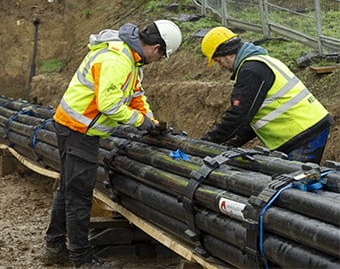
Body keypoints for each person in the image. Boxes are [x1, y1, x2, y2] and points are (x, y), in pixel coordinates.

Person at [44, 20, 182, 268]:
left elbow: (136, 96)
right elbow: (109, 104)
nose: (158, 62)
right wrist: (140, 122)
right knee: (79, 195)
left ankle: (55, 244)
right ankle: (82, 260)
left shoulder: (130, 59)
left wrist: (151, 121)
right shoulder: (118, 60)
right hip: (78, 130)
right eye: (162, 57)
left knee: (69, 188)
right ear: (156, 48)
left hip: (77, 127)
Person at [200, 26, 333, 164]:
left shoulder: (251, 71)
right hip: (304, 128)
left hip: (303, 132)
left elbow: (239, 115)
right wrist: (228, 144)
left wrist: (205, 143)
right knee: (294, 178)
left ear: (227, 53)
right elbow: (249, 120)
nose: (220, 66)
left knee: (297, 182)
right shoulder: (260, 62)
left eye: (218, 60)